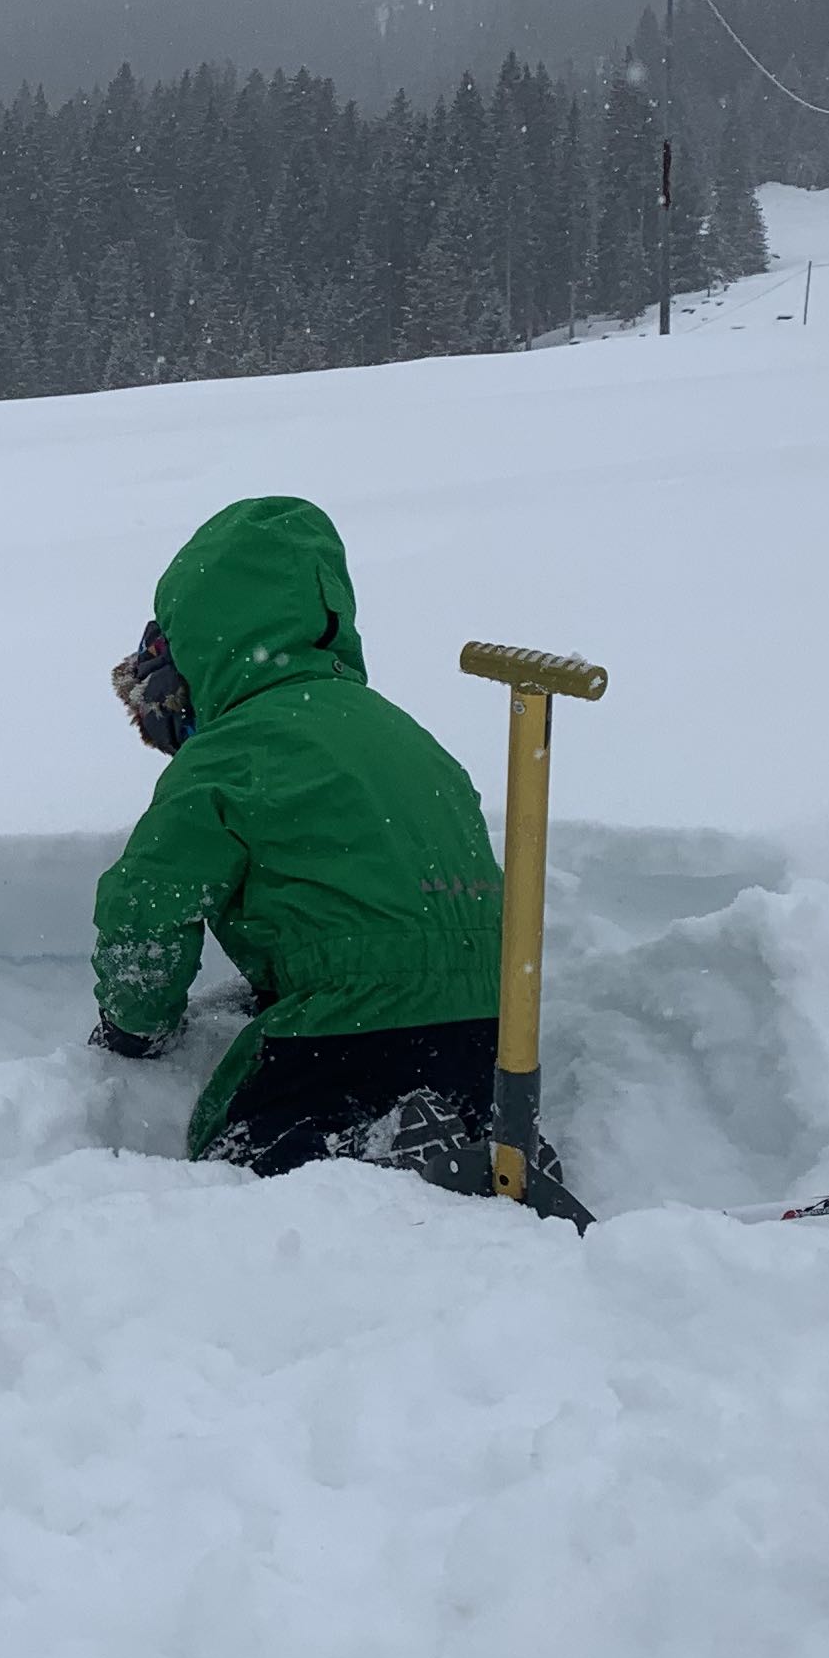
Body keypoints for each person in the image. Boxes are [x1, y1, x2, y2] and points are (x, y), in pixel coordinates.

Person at [88, 495, 506, 1183]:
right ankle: (472, 1140)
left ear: (198, 652)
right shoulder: (404, 734)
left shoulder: (227, 753)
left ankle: (372, 1149)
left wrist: (133, 1024)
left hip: (347, 1029)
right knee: (448, 1103)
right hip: (491, 1022)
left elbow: (149, 905)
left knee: (251, 1169)